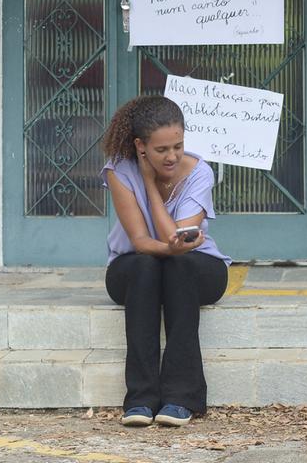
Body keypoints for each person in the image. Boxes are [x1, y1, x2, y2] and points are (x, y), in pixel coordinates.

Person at [101, 95, 231, 428]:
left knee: (178, 266)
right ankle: (141, 399)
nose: (172, 156)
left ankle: (181, 398)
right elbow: (143, 241)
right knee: (149, 264)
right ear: (140, 146)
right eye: (161, 150)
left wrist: (174, 247)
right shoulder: (120, 169)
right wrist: (146, 180)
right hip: (134, 269)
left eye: (178, 145)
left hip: (196, 267)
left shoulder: (199, 172)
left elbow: (174, 235)